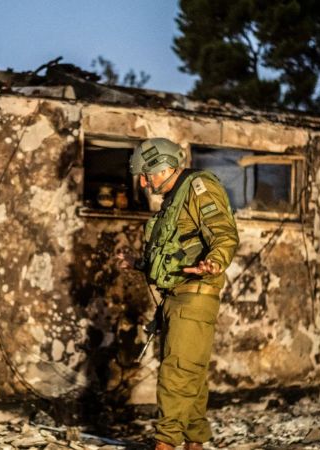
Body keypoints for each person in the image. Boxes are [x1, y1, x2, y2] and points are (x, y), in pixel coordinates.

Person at [118, 137, 239, 450]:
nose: (143, 182)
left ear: (163, 168)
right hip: (175, 294)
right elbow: (172, 254)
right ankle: (194, 441)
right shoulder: (174, 199)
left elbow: (224, 234)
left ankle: (165, 443)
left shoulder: (199, 188)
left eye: (146, 174)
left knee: (177, 373)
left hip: (195, 294)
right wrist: (138, 264)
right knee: (190, 374)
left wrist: (214, 262)